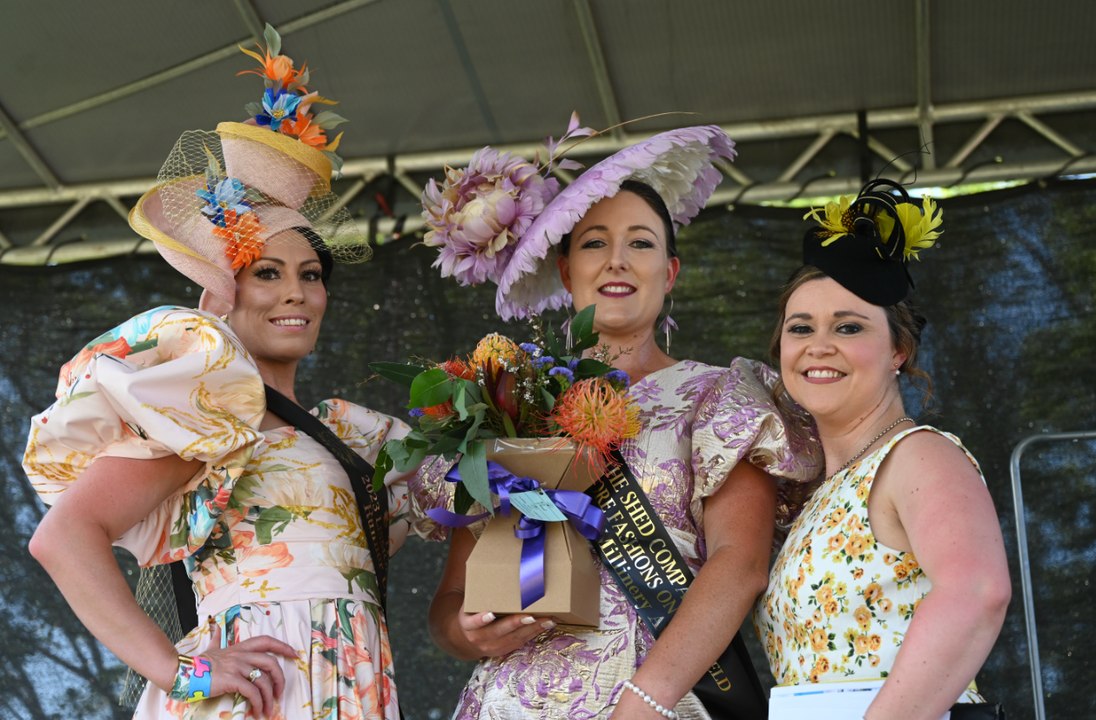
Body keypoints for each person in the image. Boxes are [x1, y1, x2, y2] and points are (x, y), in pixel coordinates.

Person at [24, 28, 412, 719]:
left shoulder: (354, 436)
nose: (294, 292)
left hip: (352, 686)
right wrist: (181, 673)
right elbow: (61, 538)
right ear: (222, 295)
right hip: (259, 697)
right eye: (267, 272)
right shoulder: (208, 420)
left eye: (310, 275)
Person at [411, 126, 822, 719]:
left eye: (641, 243)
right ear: (566, 268)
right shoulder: (510, 404)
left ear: (671, 271)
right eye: (595, 243)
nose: (617, 261)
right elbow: (450, 602)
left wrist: (643, 700)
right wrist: (466, 631)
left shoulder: (717, 396)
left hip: (653, 704)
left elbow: (741, 565)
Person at [754, 179, 1011, 719]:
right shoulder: (819, 490)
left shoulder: (918, 455)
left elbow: (978, 591)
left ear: (899, 349)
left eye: (848, 327)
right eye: (801, 327)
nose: (819, 346)